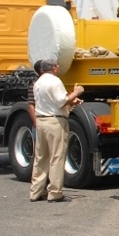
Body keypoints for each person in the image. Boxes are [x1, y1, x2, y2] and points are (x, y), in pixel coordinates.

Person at [30, 59, 84, 203]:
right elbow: (61, 101)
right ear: (54, 68)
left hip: (41, 120)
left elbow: (52, 101)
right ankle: (55, 192)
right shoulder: (55, 81)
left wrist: (71, 99)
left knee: (41, 157)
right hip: (54, 121)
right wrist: (76, 92)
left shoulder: (38, 82)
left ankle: (36, 191)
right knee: (56, 157)